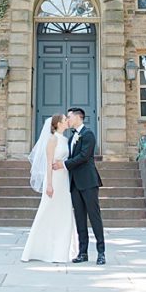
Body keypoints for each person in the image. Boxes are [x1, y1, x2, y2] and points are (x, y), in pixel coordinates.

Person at [52, 106, 106, 264]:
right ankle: (83, 253)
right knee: (80, 218)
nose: (67, 120)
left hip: (88, 182)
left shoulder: (88, 134)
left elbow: (84, 157)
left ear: (78, 117)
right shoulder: (71, 138)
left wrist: (64, 164)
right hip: (74, 183)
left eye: (69, 117)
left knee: (94, 217)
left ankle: (101, 252)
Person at [21, 113, 77, 263]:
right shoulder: (52, 140)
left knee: (64, 212)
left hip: (64, 179)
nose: (67, 121)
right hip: (54, 179)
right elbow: (49, 163)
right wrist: (50, 184)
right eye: (65, 120)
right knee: (46, 210)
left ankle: (62, 251)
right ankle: (35, 249)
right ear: (58, 124)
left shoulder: (66, 139)